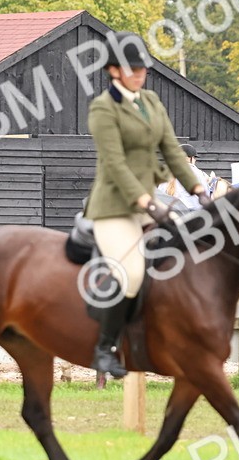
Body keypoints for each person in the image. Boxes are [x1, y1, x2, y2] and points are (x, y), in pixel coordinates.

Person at [85, 32, 207, 377]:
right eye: (132, 69)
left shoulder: (151, 101)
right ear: (113, 70)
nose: (140, 74)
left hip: (149, 202)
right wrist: (145, 201)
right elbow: (114, 163)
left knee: (187, 257)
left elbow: (172, 150)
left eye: (143, 69)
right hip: (114, 207)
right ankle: (104, 349)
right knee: (132, 272)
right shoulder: (103, 108)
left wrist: (199, 189)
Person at [158, 144, 214, 211]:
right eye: (194, 157)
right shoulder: (197, 172)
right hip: (191, 212)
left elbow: (160, 194)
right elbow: (206, 193)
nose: (195, 160)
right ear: (189, 158)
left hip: (170, 211)